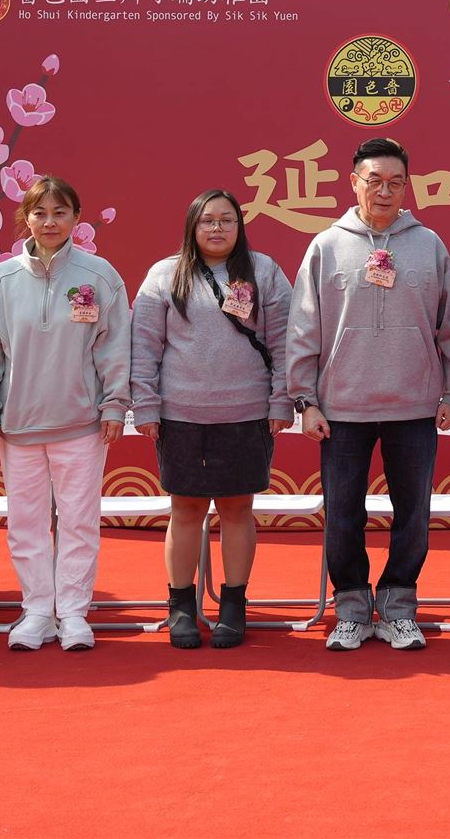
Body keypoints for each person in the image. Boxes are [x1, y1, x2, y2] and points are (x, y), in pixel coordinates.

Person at [290, 139, 450, 652]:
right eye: (374, 181)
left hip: (414, 405)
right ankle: (350, 608)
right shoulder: (326, 246)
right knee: (342, 512)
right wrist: (305, 400)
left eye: (395, 182)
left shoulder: (428, 244)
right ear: (354, 183)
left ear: (407, 187)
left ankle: (397, 606)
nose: (384, 191)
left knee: (413, 512)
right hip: (342, 407)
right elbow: (303, 327)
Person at [0, 175, 131, 653]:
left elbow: (115, 346)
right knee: (26, 524)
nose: (50, 222)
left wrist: (115, 403)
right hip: (18, 427)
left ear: (77, 218)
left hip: (82, 425)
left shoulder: (100, 276)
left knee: (79, 521)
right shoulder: (1, 280)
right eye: (40, 212)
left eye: (60, 212)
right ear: (26, 218)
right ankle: (37, 611)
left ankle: (73, 613)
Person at [130, 188, 292, 651]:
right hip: (180, 414)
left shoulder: (264, 271)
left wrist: (281, 401)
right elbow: (144, 346)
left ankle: (233, 605)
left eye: (227, 220)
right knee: (185, 510)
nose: (217, 228)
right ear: (192, 226)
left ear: (240, 226)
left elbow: (285, 341)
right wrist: (146, 405)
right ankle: (181, 605)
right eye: (207, 220)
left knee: (238, 510)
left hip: (246, 413)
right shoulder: (165, 274)